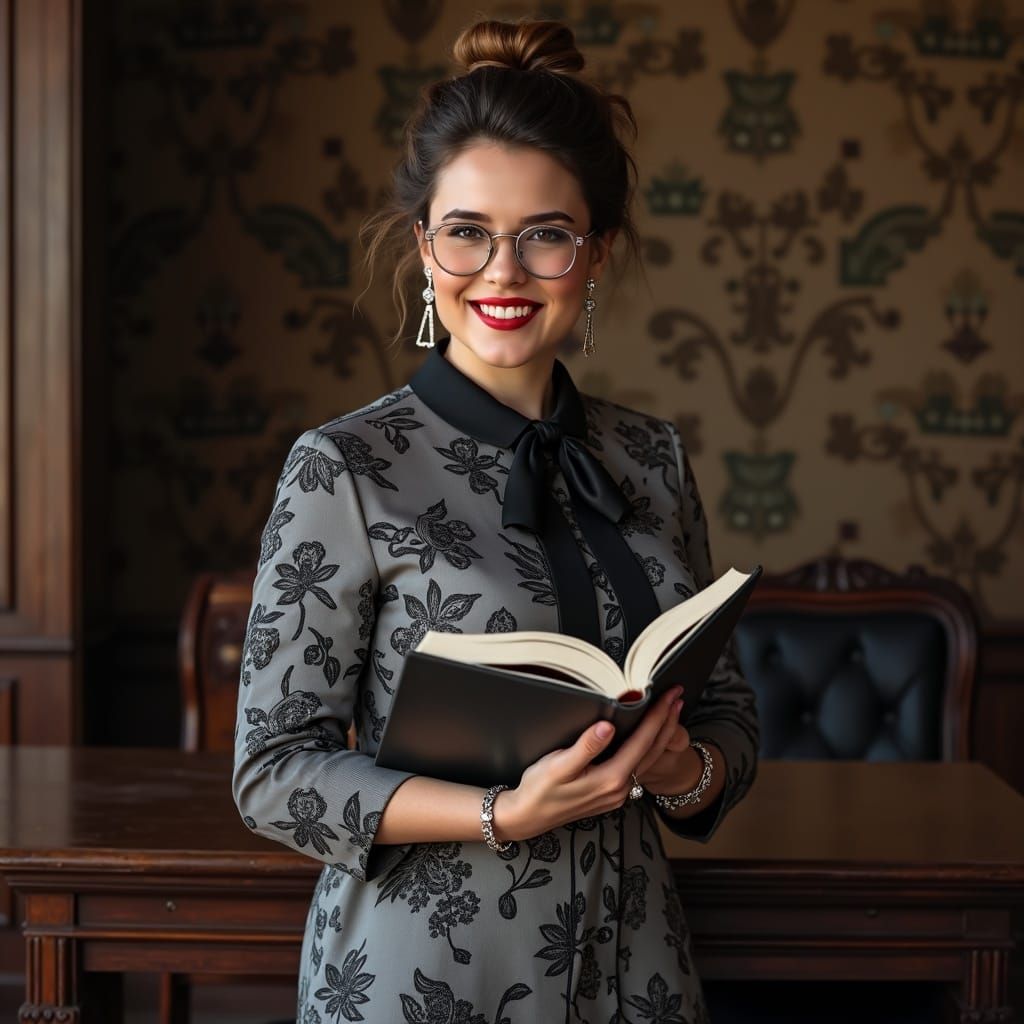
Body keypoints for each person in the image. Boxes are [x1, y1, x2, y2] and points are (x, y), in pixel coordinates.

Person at [232, 18, 758, 1024]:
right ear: (425, 243)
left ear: (596, 252)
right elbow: (273, 773)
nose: (502, 272)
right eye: (468, 231)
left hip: (636, 965)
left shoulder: (650, 457)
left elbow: (730, 722)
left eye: (546, 235)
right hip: (419, 975)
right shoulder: (344, 466)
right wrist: (499, 812)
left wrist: (681, 766)